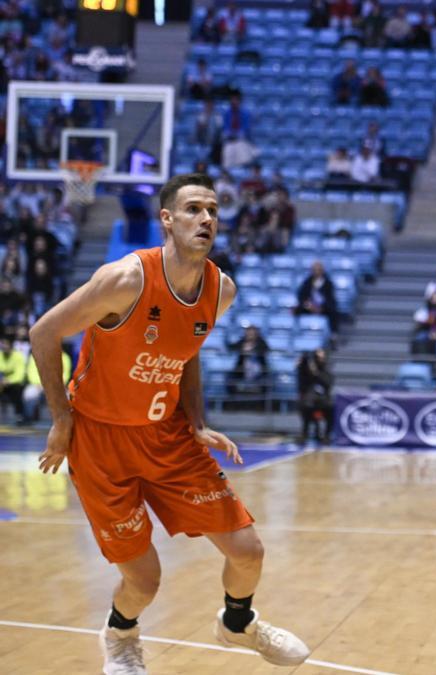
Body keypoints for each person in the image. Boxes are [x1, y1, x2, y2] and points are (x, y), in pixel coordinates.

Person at [32, 173, 310, 673]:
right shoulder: (125, 279)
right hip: (99, 438)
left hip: (167, 436)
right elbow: (44, 332)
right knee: (145, 580)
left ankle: (237, 623)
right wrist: (60, 419)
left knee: (248, 550)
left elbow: (187, 352)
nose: (206, 219)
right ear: (167, 219)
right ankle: (119, 636)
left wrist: (197, 421)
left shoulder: (220, 290)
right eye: (193, 210)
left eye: (213, 211)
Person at [298, 349, 333, 444]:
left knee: (331, 409)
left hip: (323, 401)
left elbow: (328, 383)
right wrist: (303, 363)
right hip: (310, 401)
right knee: (306, 407)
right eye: (318, 357)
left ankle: (326, 435)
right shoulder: (307, 369)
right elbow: (302, 380)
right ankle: (304, 435)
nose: (320, 359)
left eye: (322, 357)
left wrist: (316, 373)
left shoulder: (326, 369)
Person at [295, 261, 339, 334]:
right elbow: (301, 296)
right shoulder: (307, 282)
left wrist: (321, 308)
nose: (316, 272)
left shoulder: (328, 283)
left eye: (318, 270)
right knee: (297, 310)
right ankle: (298, 332)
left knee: (333, 312)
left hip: (323, 308)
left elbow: (330, 299)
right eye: (314, 270)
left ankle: (333, 334)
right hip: (309, 306)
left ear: (322, 271)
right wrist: (309, 306)